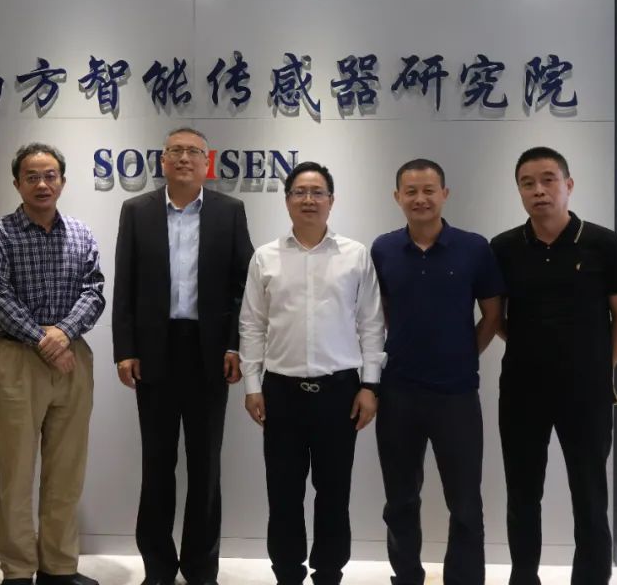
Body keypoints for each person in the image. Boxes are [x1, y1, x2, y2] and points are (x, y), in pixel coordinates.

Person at [112, 127, 253, 585]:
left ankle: (200, 567)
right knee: (157, 465)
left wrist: (235, 345)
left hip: (209, 352)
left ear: (207, 162)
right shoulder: (137, 211)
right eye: (176, 151)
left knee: (205, 465)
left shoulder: (230, 211)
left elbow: (244, 287)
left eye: (194, 152)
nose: (185, 158)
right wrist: (125, 349)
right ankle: (157, 566)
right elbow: (125, 283)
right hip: (154, 351)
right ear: (163, 161)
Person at [490, 146, 617, 585]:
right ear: (519, 191)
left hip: (586, 392)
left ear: (568, 185)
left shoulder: (603, 243)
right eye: (527, 183)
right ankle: (524, 577)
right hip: (522, 388)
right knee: (522, 492)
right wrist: (530, 345)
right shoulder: (504, 247)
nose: (539, 190)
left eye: (548, 180)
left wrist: (600, 367)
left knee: (589, 493)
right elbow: (496, 318)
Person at [239, 161, 385, 585]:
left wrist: (370, 385)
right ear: (287, 201)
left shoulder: (355, 255)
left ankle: (328, 573)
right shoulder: (266, 257)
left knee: (334, 493)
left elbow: (371, 323)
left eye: (317, 192)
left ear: (331, 200)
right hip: (281, 392)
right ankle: (287, 573)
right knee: (283, 493)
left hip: (340, 392)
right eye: (299, 192)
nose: (308, 200)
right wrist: (252, 385)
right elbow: (252, 324)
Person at [370, 158, 504, 585]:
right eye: (410, 191)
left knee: (465, 503)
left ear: (445, 194)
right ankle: (406, 575)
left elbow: (492, 313)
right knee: (400, 500)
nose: (420, 199)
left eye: (429, 190)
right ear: (397, 197)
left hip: (456, 395)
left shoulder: (474, 248)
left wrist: (465, 354)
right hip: (398, 393)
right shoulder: (383, 249)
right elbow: (379, 312)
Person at [0, 143, 106, 585]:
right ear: (17, 183)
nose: (42, 184)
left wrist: (63, 334)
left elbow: (94, 291)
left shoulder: (81, 234)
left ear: (63, 182)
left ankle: (59, 567)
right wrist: (43, 339)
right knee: (16, 471)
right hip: (18, 358)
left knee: (66, 471)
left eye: (50, 175)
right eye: (32, 176)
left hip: (73, 359)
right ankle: (17, 570)